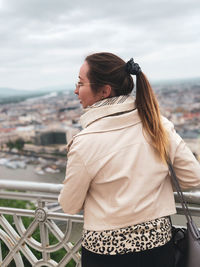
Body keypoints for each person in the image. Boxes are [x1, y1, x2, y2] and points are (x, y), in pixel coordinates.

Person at [58, 52, 200, 267]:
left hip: (106, 254)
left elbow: (69, 205)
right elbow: (192, 177)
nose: (76, 90)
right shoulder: (159, 125)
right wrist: (152, 181)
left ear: (105, 90)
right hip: (158, 248)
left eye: (81, 83)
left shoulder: (85, 141)